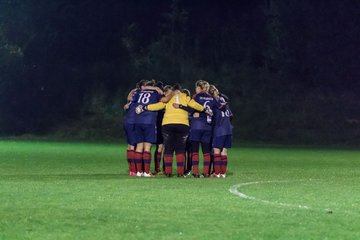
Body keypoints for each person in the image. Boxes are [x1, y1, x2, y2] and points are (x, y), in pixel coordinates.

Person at [136, 84, 209, 177]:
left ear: (173, 90)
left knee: (168, 149)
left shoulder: (169, 97)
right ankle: (180, 173)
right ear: (181, 90)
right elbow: (194, 105)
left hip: (167, 124)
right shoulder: (185, 97)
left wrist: (144, 107)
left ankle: (168, 172)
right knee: (180, 149)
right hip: (182, 124)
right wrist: (204, 109)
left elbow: (158, 106)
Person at [189, 80, 222, 177]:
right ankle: (206, 172)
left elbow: (190, 108)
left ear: (199, 88)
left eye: (196, 87)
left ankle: (195, 172)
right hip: (207, 126)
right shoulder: (212, 98)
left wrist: (193, 113)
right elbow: (220, 107)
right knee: (206, 151)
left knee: (195, 150)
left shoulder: (196, 96)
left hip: (196, 126)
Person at [131, 80, 163, 177]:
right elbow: (162, 102)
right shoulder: (155, 92)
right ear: (152, 86)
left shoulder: (139, 92)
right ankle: (146, 172)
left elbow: (132, 101)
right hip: (149, 121)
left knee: (139, 147)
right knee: (147, 147)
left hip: (138, 121)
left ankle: (138, 172)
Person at [123, 79, 148, 176]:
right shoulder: (140, 95)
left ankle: (133, 170)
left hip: (128, 121)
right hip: (134, 122)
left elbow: (128, 101)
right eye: (145, 86)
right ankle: (136, 170)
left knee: (130, 145)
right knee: (136, 146)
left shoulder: (135, 96)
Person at [208, 85, 233, 178]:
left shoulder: (213, 102)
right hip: (228, 129)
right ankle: (223, 173)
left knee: (217, 151)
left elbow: (210, 117)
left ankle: (217, 173)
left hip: (219, 130)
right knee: (224, 152)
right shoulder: (223, 101)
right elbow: (231, 115)